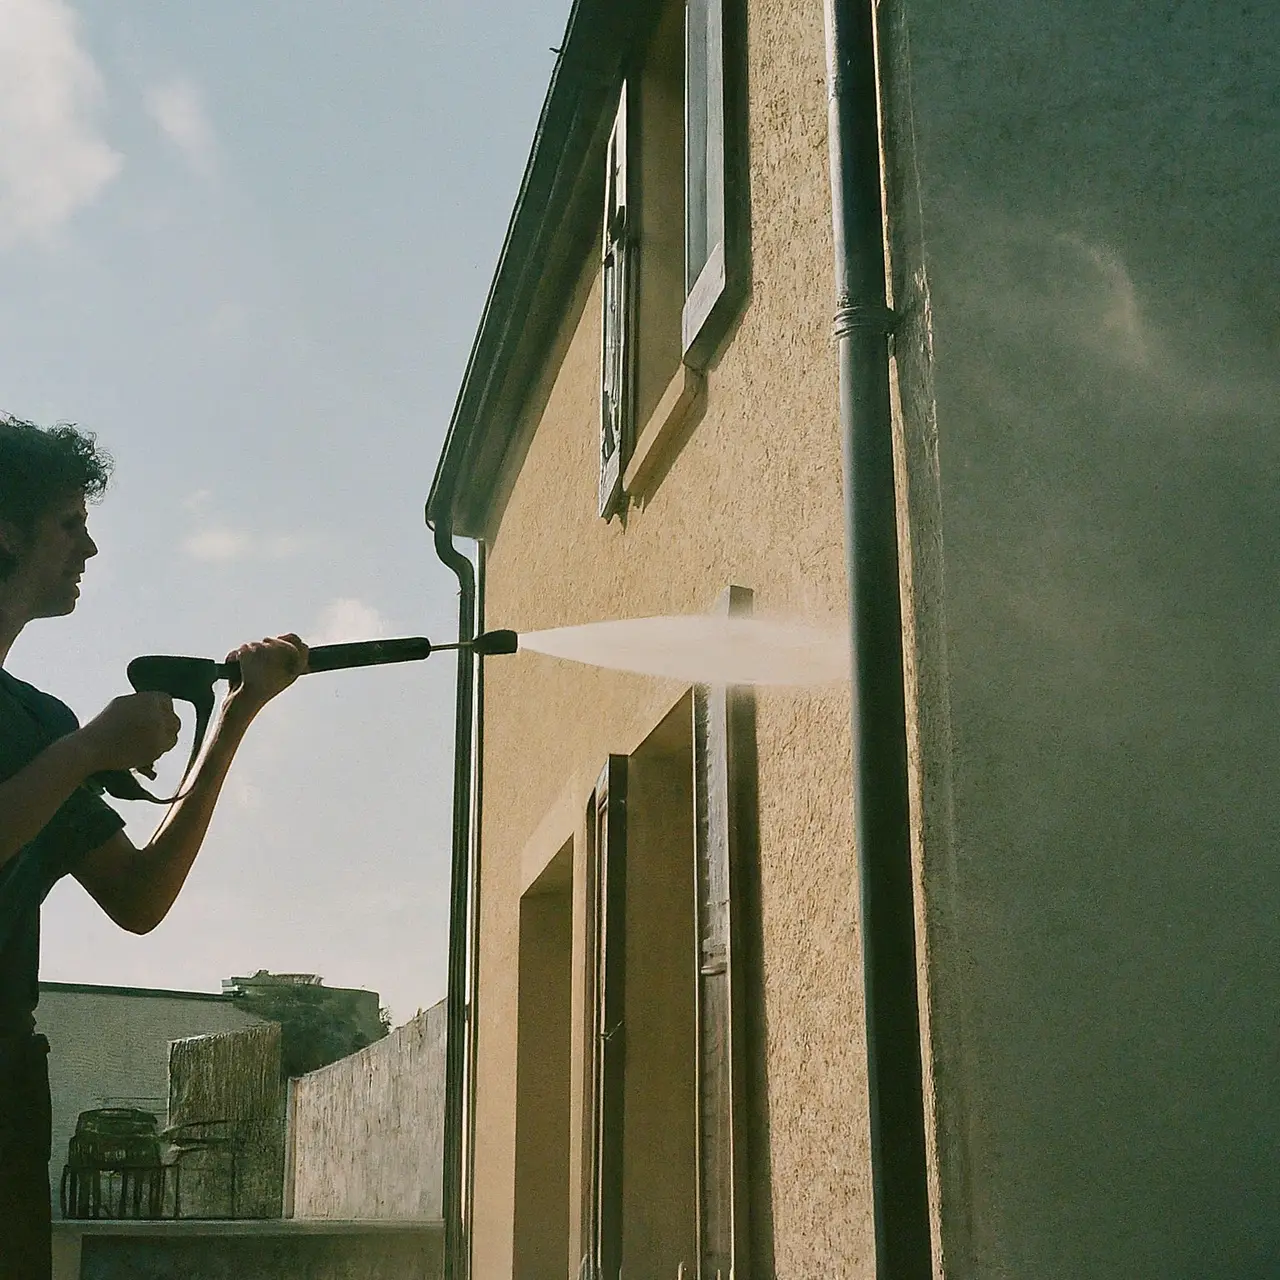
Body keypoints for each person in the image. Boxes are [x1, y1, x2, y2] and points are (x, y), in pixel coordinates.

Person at [0, 417, 307, 1278]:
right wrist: (86, 753)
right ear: (5, 530)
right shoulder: (60, 740)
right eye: (69, 524)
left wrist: (236, 716)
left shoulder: (36, 722)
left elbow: (138, 899)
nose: (89, 547)